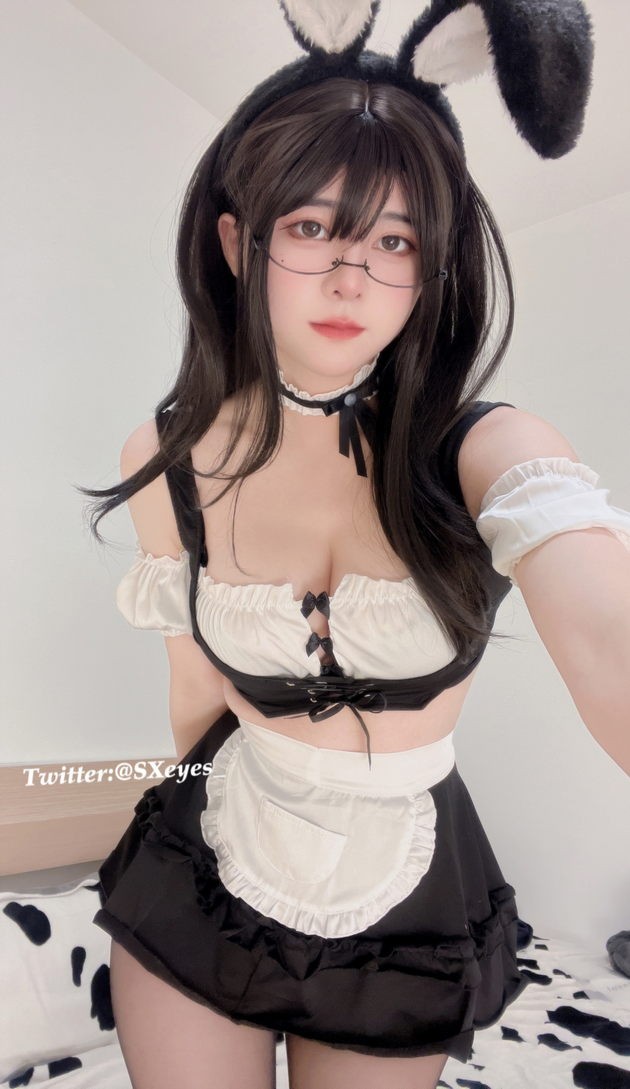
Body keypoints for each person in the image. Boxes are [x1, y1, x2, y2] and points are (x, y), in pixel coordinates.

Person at [80, 2, 630, 1086]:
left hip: (405, 899)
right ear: (237, 240)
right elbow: (193, 686)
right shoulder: (168, 454)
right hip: (208, 860)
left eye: (395, 241)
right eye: (312, 227)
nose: (353, 278)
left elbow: (610, 643)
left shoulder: (488, 448)